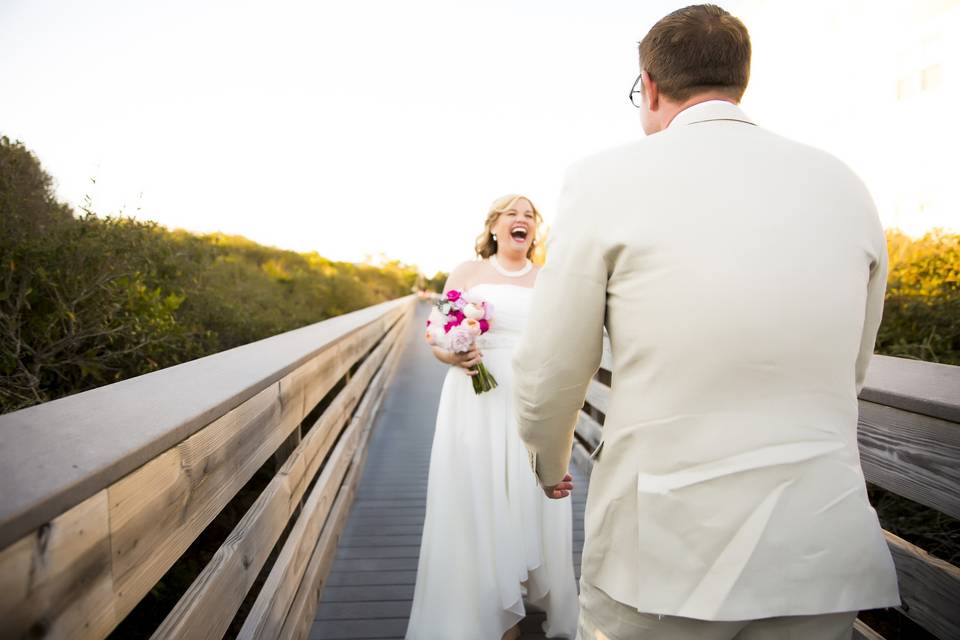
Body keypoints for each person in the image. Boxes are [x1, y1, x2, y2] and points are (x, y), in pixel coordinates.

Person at [512, 5, 900, 640]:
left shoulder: (602, 179)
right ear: (739, 81)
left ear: (653, 87)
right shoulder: (844, 183)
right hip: (819, 538)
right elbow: (854, 364)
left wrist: (550, 459)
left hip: (665, 553)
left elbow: (552, 366)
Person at [405, 194, 579, 640]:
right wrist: (454, 355)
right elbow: (436, 334)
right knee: (479, 490)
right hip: (475, 396)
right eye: (512, 214)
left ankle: (519, 589)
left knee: (525, 491)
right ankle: (492, 610)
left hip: (528, 396)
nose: (521, 220)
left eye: (529, 216)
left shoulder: (549, 279)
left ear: (534, 230)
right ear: (495, 226)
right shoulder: (467, 273)